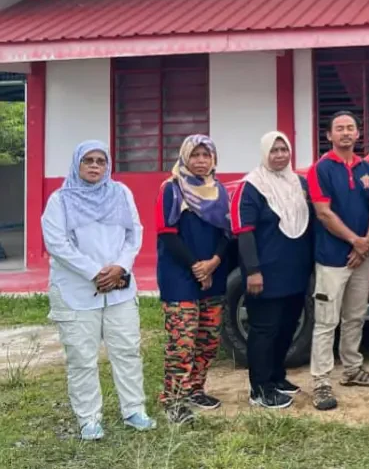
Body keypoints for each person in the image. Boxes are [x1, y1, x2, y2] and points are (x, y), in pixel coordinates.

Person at [41, 140, 155, 440]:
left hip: (118, 286)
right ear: (77, 164)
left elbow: (135, 232)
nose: (94, 166)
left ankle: (133, 409)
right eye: (88, 160)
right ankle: (89, 419)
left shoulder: (120, 193)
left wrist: (120, 266)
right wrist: (94, 272)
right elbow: (56, 243)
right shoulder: (60, 200)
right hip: (77, 290)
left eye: (101, 161)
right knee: (82, 357)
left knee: (127, 350)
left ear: (108, 166)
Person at [307, 111, 369, 411]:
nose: (345, 133)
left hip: (360, 257)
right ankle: (321, 381)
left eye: (350, 128)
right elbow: (323, 213)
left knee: (355, 315)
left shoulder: (366, 167)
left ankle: (352, 368)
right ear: (329, 135)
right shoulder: (321, 169)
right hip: (332, 257)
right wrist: (355, 241)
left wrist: (364, 245)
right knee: (327, 320)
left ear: (357, 134)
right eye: (339, 128)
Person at [232, 132, 312, 410]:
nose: (280, 155)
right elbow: (244, 232)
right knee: (264, 330)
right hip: (264, 274)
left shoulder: (298, 182)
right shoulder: (252, 186)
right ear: (265, 153)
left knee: (287, 327)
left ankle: (277, 377)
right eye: (274, 150)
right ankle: (260, 388)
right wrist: (252, 270)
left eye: (284, 149)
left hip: (294, 272)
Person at [156, 134, 232, 424]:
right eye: (195, 155)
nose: (201, 161)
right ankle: (173, 399)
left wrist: (213, 263)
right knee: (182, 341)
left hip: (214, 273)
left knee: (209, 338)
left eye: (206, 155)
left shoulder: (220, 191)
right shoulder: (171, 189)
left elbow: (227, 234)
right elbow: (167, 234)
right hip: (179, 275)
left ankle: (195, 389)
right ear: (185, 157)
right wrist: (196, 267)